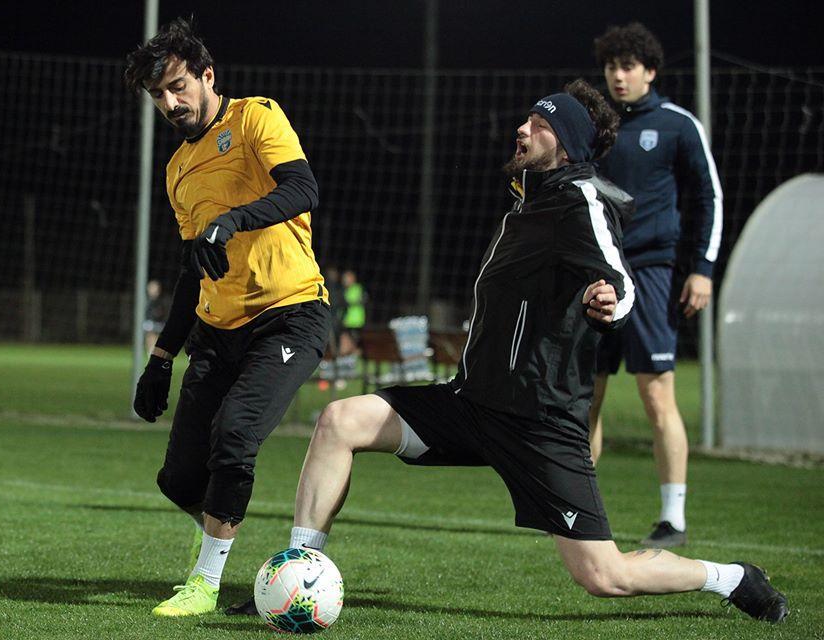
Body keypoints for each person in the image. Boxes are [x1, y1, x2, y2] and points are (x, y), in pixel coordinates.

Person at [283, 81, 787, 624]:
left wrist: (610, 303)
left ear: (566, 147)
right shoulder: (527, 203)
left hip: (539, 421)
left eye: (541, 125)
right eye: (527, 120)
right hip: (472, 404)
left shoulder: (580, 199)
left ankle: (732, 577)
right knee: (339, 421)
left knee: (605, 577)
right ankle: (296, 578)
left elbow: (621, 280)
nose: (522, 129)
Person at [124, 18, 331, 617]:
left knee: (235, 433)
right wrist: (160, 358)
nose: (170, 103)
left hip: (290, 314)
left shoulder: (256, 117)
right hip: (217, 330)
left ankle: (205, 583)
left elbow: (303, 188)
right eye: (158, 95)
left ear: (207, 75)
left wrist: (234, 219)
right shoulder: (177, 171)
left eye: (178, 86)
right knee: (178, 479)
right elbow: (194, 271)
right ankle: (216, 536)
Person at [590, 22, 724, 547]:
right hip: (598, 274)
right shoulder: (595, 125)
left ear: (650, 71)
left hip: (652, 273)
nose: (618, 76)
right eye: (611, 67)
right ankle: (579, 512)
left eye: (628, 67)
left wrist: (702, 268)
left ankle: (673, 520)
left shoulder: (677, 124)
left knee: (656, 394)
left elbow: (709, 198)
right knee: (586, 395)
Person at [143, 279, 169, 355]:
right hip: (149, 323)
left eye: (154, 288)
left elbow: (163, 313)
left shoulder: (161, 301)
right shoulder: (145, 300)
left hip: (159, 323)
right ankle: (151, 351)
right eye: (151, 288)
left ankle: (154, 352)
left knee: (155, 336)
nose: (152, 290)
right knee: (149, 332)